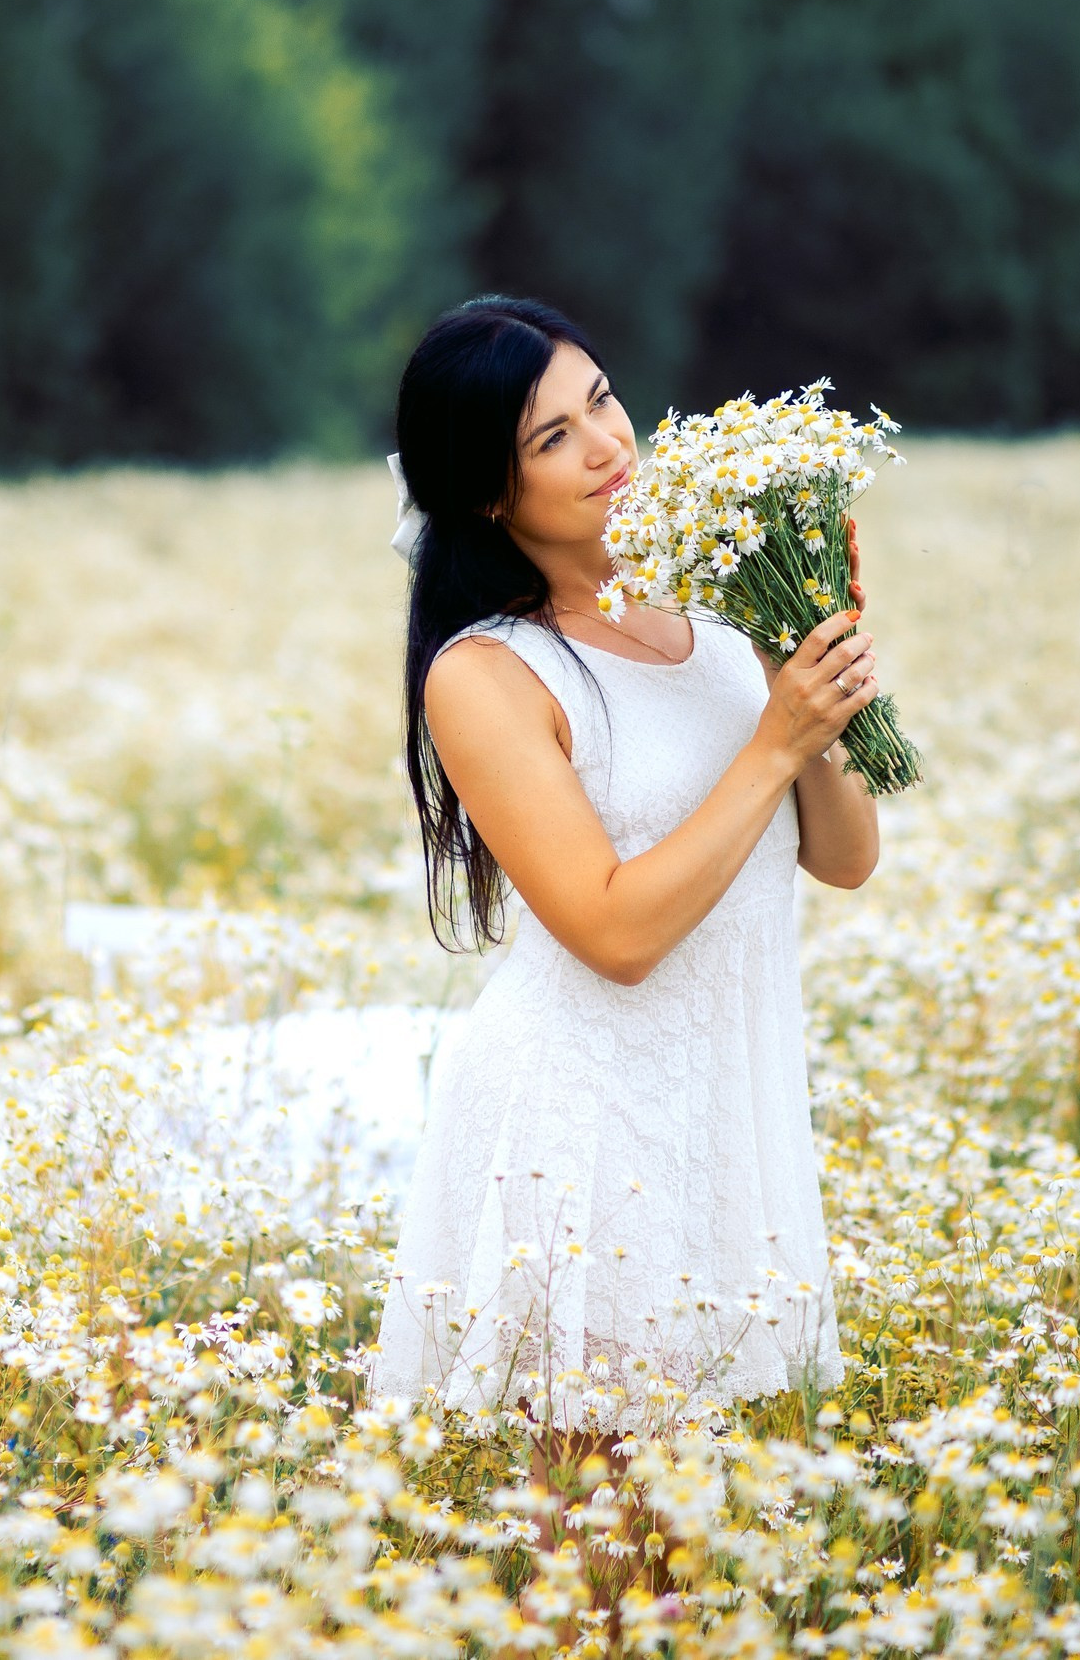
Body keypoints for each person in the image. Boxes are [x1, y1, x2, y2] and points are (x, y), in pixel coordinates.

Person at [367, 295, 880, 1508]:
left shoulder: (719, 611)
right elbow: (613, 933)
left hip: (723, 1094)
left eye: (600, 400)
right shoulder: (489, 672)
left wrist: (806, 651)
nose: (607, 445)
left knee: (687, 1535)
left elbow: (847, 854)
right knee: (602, 1535)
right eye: (552, 438)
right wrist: (773, 740)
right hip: (586, 1114)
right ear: (486, 493)